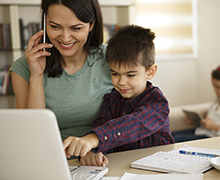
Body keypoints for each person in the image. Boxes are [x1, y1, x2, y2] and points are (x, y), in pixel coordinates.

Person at [63, 25, 175, 166]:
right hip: (122, 167)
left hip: (159, 168)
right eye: (115, 73)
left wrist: (94, 139)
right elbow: (101, 124)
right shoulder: (111, 100)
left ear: (150, 72)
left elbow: (135, 123)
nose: (121, 82)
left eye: (130, 75)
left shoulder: (158, 103)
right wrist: (92, 151)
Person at [9, 0, 113, 143]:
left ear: (92, 25)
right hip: (52, 157)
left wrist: (95, 145)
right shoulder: (23, 67)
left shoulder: (112, 58)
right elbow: (31, 135)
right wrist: (37, 76)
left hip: (107, 155)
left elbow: (139, 112)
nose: (65, 38)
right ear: (45, 22)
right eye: (55, 27)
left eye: (76, 28)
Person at [172, 66, 220, 142]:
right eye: (214, 86)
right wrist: (196, 121)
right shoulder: (215, 102)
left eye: (218, 87)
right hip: (201, 131)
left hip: (210, 137)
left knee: (176, 139)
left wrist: (214, 126)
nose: (215, 90)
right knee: (170, 134)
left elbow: (213, 126)